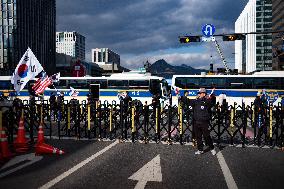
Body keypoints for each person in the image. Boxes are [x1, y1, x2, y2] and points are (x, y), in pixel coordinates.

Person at [191, 88, 216, 155]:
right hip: (196, 121)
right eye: (198, 93)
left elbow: (212, 103)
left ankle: (212, 148)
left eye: (199, 93)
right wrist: (179, 96)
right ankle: (200, 149)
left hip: (204, 122)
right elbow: (188, 101)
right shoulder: (196, 101)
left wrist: (212, 96)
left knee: (206, 136)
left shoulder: (207, 101)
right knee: (198, 136)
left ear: (203, 94)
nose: (198, 94)